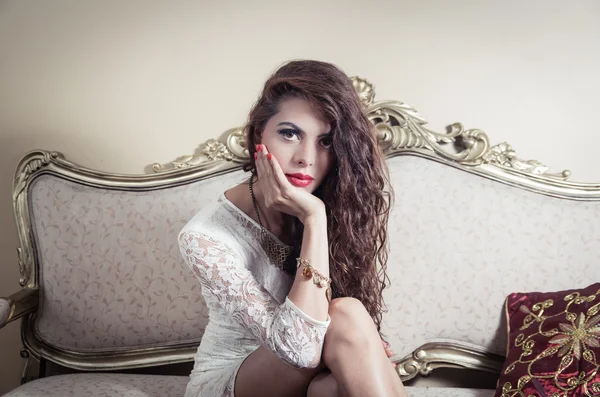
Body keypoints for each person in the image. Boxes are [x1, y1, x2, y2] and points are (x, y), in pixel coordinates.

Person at [178, 60, 408, 397]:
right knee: (346, 314)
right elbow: (299, 351)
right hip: (236, 380)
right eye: (290, 133)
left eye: (326, 142)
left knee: (334, 379)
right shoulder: (205, 238)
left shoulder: (335, 202)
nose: (306, 158)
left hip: (308, 372)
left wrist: (362, 346)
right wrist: (314, 219)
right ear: (259, 134)